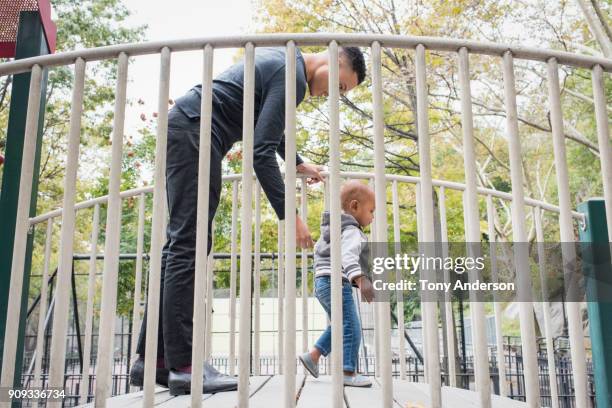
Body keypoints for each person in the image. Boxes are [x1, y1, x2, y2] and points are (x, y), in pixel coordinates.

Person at [129, 45, 367, 396]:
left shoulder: (285, 66)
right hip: (196, 130)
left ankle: (155, 361)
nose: (332, 94)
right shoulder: (293, 76)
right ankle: (184, 366)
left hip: (191, 126)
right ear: (333, 61)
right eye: (341, 86)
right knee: (188, 243)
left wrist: (297, 161)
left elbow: (266, 127)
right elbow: (259, 151)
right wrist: (291, 216)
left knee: (183, 243)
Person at [299, 180, 375, 387]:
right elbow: (347, 256)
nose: (373, 217)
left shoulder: (332, 230)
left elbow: (319, 253)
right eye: (371, 211)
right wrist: (360, 278)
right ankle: (348, 373)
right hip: (336, 283)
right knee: (352, 327)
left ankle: (313, 356)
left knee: (341, 325)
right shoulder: (351, 231)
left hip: (322, 282)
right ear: (354, 206)